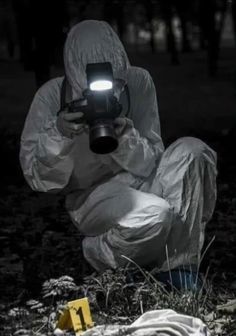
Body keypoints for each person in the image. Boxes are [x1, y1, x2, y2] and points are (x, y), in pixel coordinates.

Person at [20, 20, 217, 290]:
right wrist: (59, 132)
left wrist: (125, 135)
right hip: (90, 196)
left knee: (194, 152)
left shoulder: (137, 83)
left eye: (112, 84)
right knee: (155, 215)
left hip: (139, 177)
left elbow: (152, 160)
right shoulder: (52, 96)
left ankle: (177, 267)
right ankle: (100, 252)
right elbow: (40, 180)